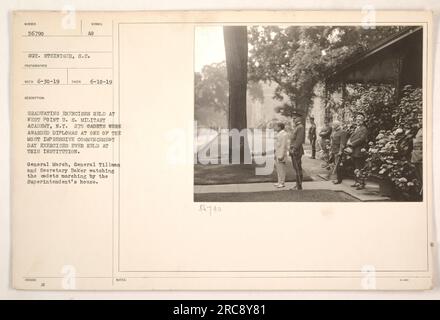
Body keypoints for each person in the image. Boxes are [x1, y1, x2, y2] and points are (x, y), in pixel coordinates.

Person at [347, 113, 368, 190]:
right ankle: (357, 182)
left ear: (363, 121)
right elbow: (353, 136)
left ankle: (361, 184)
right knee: (355, 167)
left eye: (360, 120)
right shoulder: (357, 128)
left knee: (360, 167)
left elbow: (361, 139)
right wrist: (349, 141)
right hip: (354, 151)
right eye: (357, 120)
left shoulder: (364, 129)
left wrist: (352, 143)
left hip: (359, 150)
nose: (358, 121)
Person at [289, 109, 305, 190]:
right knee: (296, 168)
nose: (293, 119)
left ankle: (299, 185)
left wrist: (294, 149)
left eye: (295, 118)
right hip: (294, 150)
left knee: (298, 168)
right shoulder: (296, 127)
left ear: (299, 118)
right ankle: (297, 184)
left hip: (297, 151)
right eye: (293, 118)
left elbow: (299, 140)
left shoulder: (300, 127)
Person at [274, 122, 289, 188]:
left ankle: (282, 183)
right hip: (278, 153)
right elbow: (277, 145)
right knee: (278, 169)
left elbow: (283, 146)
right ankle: (279, 181)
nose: (275, 128)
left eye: (276, 126)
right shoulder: (279, 134)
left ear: (280, 127)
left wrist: (282, 155)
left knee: (282, 169)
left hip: (281, 153)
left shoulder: (284, 134)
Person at [411, 113, 423, 195]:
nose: (420, 120)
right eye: (419, 118)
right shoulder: (419, 130)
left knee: (423, 174)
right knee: (418, 174)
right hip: (416, 155)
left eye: (421, 118)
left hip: (422, 155)